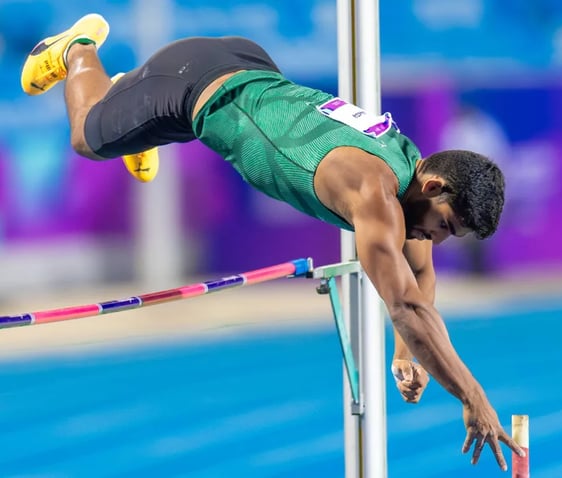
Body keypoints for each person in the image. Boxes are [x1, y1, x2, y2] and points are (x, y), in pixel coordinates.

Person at [20, 13, 524, 471]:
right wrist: (472, 396)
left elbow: (419, 274)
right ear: (433, 188)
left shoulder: (410, 172)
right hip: (192, 82)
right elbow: (408, 307)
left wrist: (404, 355)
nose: (437, 239)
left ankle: (139, 124)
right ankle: (78, 49)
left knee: (164, 124)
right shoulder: (375, 195)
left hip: (248, 68)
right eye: (445, 227)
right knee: (87, 137)